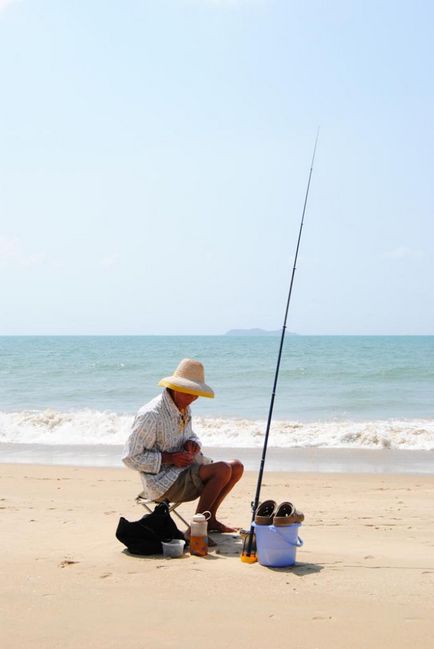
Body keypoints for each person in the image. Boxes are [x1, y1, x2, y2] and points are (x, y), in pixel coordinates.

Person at [122, 358, 244, 533]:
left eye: (197, 393)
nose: (194, 398)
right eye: (190, 392)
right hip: (162, 482)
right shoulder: (151, 414)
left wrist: (193, 444)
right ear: (176, 387)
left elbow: (191, 435)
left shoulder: (184, 407)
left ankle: (210, 520)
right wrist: (170, 458)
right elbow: (130, 458)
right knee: (222, 469)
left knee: (237, 466)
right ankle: (197, 529)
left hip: (185, 471)